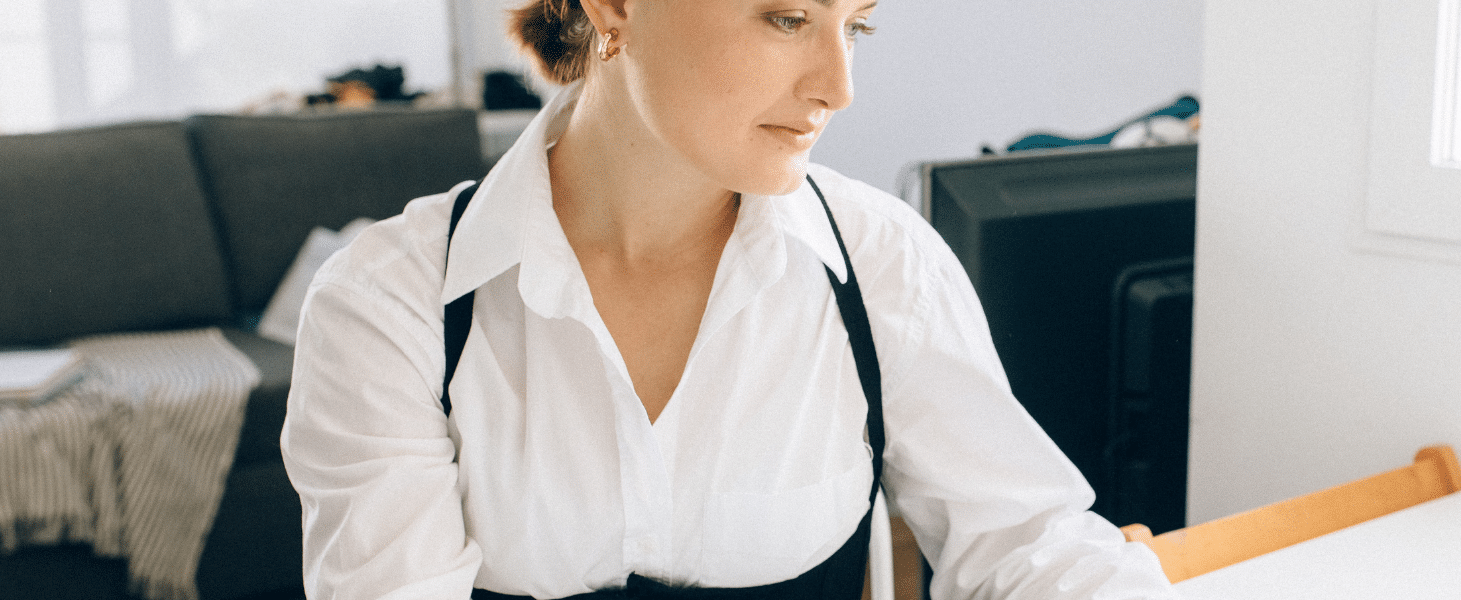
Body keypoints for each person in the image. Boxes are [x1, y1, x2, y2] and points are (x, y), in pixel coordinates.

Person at [278, 0, 1179, 598]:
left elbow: (1023, 542)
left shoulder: (880, 261)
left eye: (854, 25)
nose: (838, 86)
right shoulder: (389, 307)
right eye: (788, 17)